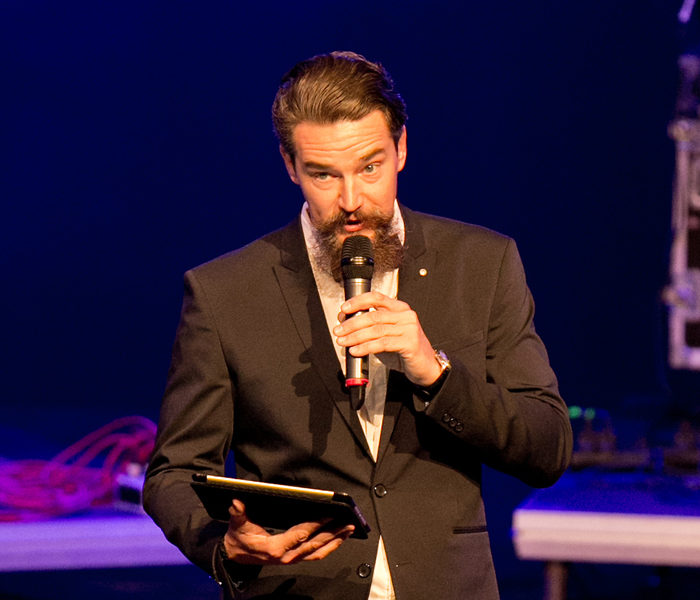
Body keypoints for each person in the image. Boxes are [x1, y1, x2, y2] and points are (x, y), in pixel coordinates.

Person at [143, 51, 573, 600]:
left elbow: (547, 448)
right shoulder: (225, 292)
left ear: (401, 149)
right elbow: (173, 473)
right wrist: (223, 545)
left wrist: (435, 373)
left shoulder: (482, 264)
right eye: (323, 174)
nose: (351, 202)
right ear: (290, 166)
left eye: (370, 167)